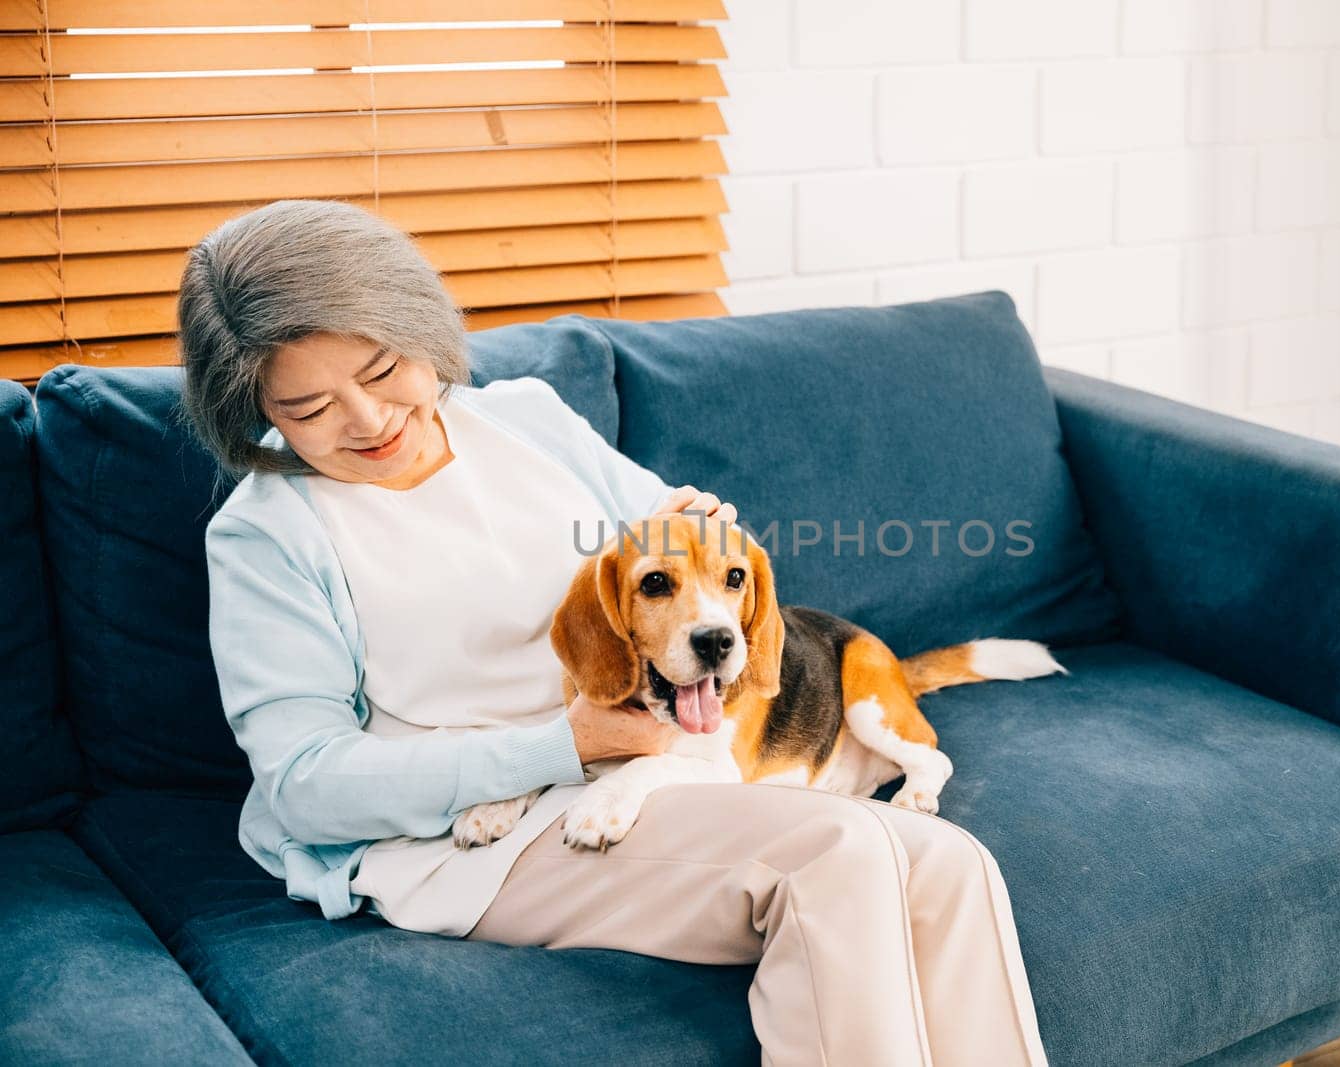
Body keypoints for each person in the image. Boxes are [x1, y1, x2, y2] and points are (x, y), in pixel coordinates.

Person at [177, 197, 1049, 1066]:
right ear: (256, 412)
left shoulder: (524, 419)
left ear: (419, 327)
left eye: (378, 371)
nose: (367, 422)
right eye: (307, 407)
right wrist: (564, 745)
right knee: (840, 854)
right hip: (466, 835)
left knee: (949, 862)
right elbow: (303, 785)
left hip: (643, 767)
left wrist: (697, 525)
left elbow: (664, 531)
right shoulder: (268, 533)